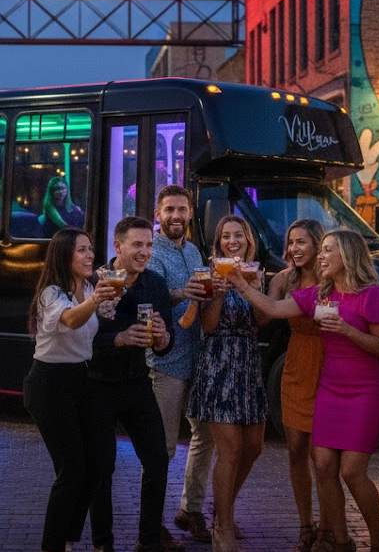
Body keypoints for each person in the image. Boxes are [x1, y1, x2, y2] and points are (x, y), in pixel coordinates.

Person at [231, 229, 379, 552]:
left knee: (351, 471)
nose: (320, 256)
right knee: (322, 465)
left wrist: (346, 330)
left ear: (347, 255)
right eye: (320, 250)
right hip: (331, 389)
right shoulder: (320, 295)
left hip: (365, 392)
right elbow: (274, 309)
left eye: (327, 250)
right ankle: (340, 541)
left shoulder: (372, 295)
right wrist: (240, 284)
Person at [23, 228, 120, 552]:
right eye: (82, 250)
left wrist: (110, 302)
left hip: (81, 381)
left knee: (94, 468)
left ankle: (67, 538)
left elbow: (102, 319)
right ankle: (53, 546)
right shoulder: (52, 293)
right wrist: (95, 300)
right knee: (72, 470)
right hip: (50, 383)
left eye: (91, 249)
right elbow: (70, 320)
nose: (91, 255)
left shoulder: (91, 287)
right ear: (64, 255)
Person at [87, 216, 175, 552]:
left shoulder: (153, 283)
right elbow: (80, 341)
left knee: (156, 460)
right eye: (137, 245)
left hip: (137, 383)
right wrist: (119, 339)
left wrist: (163, 338)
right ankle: (102, 544)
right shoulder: (96, 281)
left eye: (149, 245)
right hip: (97, 385)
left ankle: (149, 540)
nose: (145, 252)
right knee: (102, 467)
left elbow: (166, 344)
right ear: (118, 246)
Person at [186, 215, 267, 552]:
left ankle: (222, 508)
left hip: (247, 364)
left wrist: (251, 288)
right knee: (230, 449)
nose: (232, 241)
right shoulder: (209, 275)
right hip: (219, 364)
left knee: (254, 446)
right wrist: (217, 292)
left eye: (239, 235)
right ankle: (223, 526)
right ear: (217, 244)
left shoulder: (256, 274)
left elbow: (262, 321)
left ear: (249, 239)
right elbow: (207, 326)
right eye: (225, 237)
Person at [146, 185, 215, 550]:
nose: (176, 216)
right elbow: (155, 296)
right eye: (169, 209)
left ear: (190, 214)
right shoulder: (151, 252)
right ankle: (151, 524)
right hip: (166, 361)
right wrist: (183, 293)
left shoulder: (193, 250)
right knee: (164, 448)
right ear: (158, 214)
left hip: (198, 359)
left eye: (182, 209)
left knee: (206, 437)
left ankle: (190, 509)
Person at [266, 218, 325, 552]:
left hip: (329, 364)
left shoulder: (331, 278)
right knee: (295, 450)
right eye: (290, 242)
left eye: (301, 242)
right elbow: (265, 316)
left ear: (317, 244)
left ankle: (330, 527)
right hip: (295, 365)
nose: (293, 249)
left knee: (324, 456)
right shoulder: (285, 279)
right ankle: (306, 525)